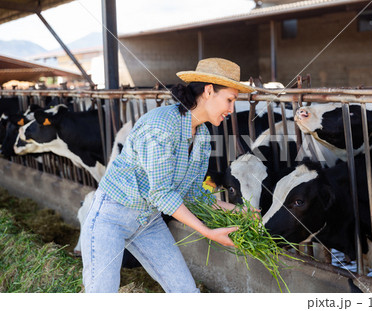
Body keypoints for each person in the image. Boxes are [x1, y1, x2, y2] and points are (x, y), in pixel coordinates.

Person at [80, 57, 255, 293]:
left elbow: (194, 196)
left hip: (148, 222)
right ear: (209, 91)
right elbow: (162, 193)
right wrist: (208, 232)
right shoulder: (161, 126)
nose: (232, 109)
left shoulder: (202, 137)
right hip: (111, 216)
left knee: (186, 293)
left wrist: (242, 213)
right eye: (230, 100)